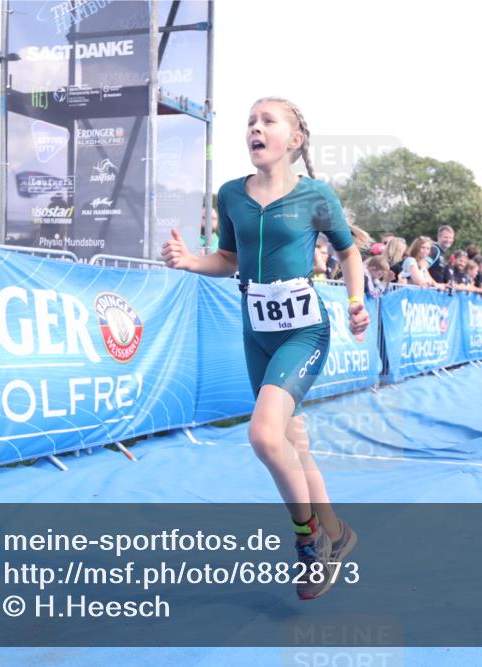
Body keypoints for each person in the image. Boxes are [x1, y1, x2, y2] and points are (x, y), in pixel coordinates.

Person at [161, 96, 366, 600]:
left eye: (267, 121)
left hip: (304, 331)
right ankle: (337, 534)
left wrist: (357, 301)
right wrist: (192, 261)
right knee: (291, 446)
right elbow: (229, 258)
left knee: (262, 436)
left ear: (293, 140)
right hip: (257, 331)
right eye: (250, 121)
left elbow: (349, 251)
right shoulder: (230, 194)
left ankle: (308, 543)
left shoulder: (316, 196)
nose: (255, 128)